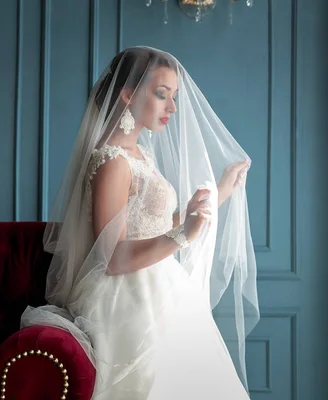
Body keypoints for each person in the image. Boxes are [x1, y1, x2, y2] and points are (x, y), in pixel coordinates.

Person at [21, 46, 260, 399]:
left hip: (160, 289)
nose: (173, 108)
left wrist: (218, 192)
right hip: (128, 301)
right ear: (128, 94)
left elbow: (149, 227)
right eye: (162, 95)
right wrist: (182, 234)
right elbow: (113, 258)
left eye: (174, 97)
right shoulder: (112, 162)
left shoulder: (138, 153)